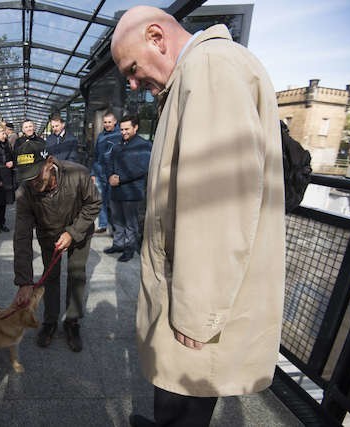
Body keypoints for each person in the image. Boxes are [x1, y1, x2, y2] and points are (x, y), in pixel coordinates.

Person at [111, 6, 285, 426]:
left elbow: (219, 199)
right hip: (189, 292)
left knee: (184, 404)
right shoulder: (203, 71)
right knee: (176, 399)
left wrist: (197, 311)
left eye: (132, 69)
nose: (133, 84)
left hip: (196, 304)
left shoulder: (208, 69)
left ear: (157, 37)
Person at [12, 139, 101, 353]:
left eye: (36, 175)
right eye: (27, 177)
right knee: (50, 278)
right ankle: (50, 321)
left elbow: (94, 203)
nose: (32, 182)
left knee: (76, 274)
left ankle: (72, 322)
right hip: (48, 234)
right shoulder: (25, 191)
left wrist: (72, 232)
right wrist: (24, 281)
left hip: (78, 231)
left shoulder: (78, 174)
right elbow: (22, 236)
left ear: (49, 162)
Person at [104, 115, 151, 262]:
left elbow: (142, 168)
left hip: (132, 191)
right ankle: (118, 244)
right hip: (116, 190)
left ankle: (129, 249)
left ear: (135, 128)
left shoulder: (144, 145)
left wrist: (121, 178)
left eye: (127, 129)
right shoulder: (118, 145)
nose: (123, 132)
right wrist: (110, 175)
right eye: (122, 129)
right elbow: (109, 162)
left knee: (131, 223)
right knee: (117, 220)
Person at [90, 111, 122, 233]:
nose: (107, 124)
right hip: (100, 173)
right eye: (105, 122)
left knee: (112, 201)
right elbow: (96, 155)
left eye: (109, 122)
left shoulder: (120, 135)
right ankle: (103, 225)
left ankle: (114, 225)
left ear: (115, 122)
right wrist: (93, 173)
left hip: (113, 173)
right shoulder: (100, 136)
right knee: (101, 200)